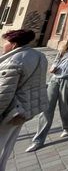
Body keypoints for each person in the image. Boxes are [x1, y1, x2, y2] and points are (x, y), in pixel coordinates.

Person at [27, 28, 68, 152]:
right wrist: (53, 67)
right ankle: (38, 140)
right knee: (46, 108)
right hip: (54, 79)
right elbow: (56, 60)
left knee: (66, 106)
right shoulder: (64, 47)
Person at [0, 30, 48, 167]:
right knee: (7, 147)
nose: (4, 45)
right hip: (25, 108)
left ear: (14, 44)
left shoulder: (13, 60)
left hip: (10, 110)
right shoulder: (40, 56)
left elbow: (4, 93)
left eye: (6, 42)